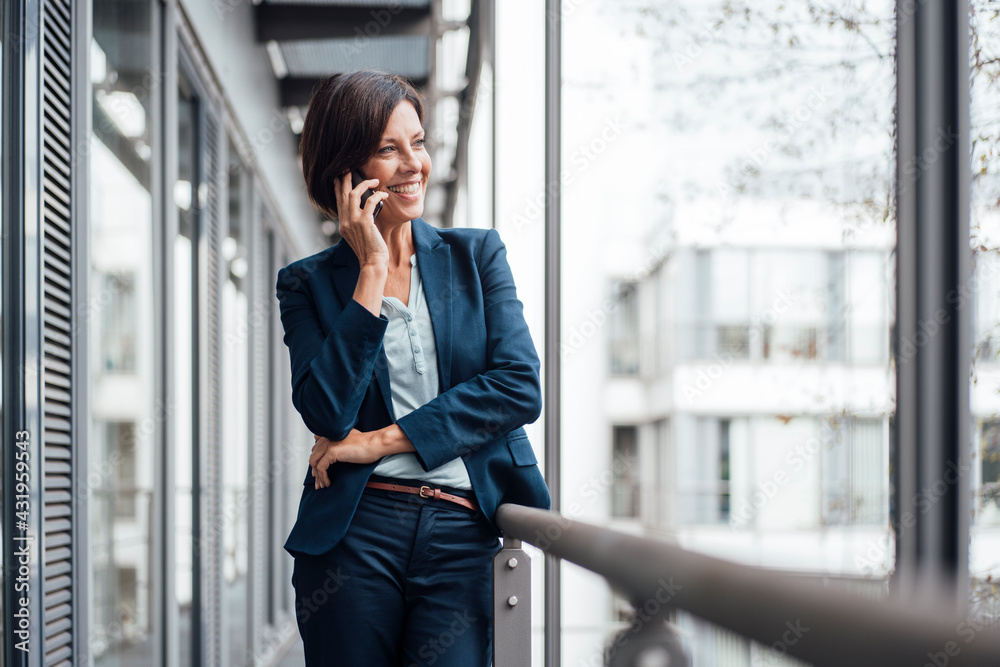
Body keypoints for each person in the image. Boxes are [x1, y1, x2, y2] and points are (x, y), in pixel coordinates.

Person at [276, 69, 550, 666]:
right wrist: (371, 272)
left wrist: (376, 441)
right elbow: (325, 411)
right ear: (344, 171)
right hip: (355, 536)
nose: (413, 164)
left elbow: (518, 386)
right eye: (387, 149)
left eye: (418, 143)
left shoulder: (476, 256)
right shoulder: (305, 285)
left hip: (461, 529)